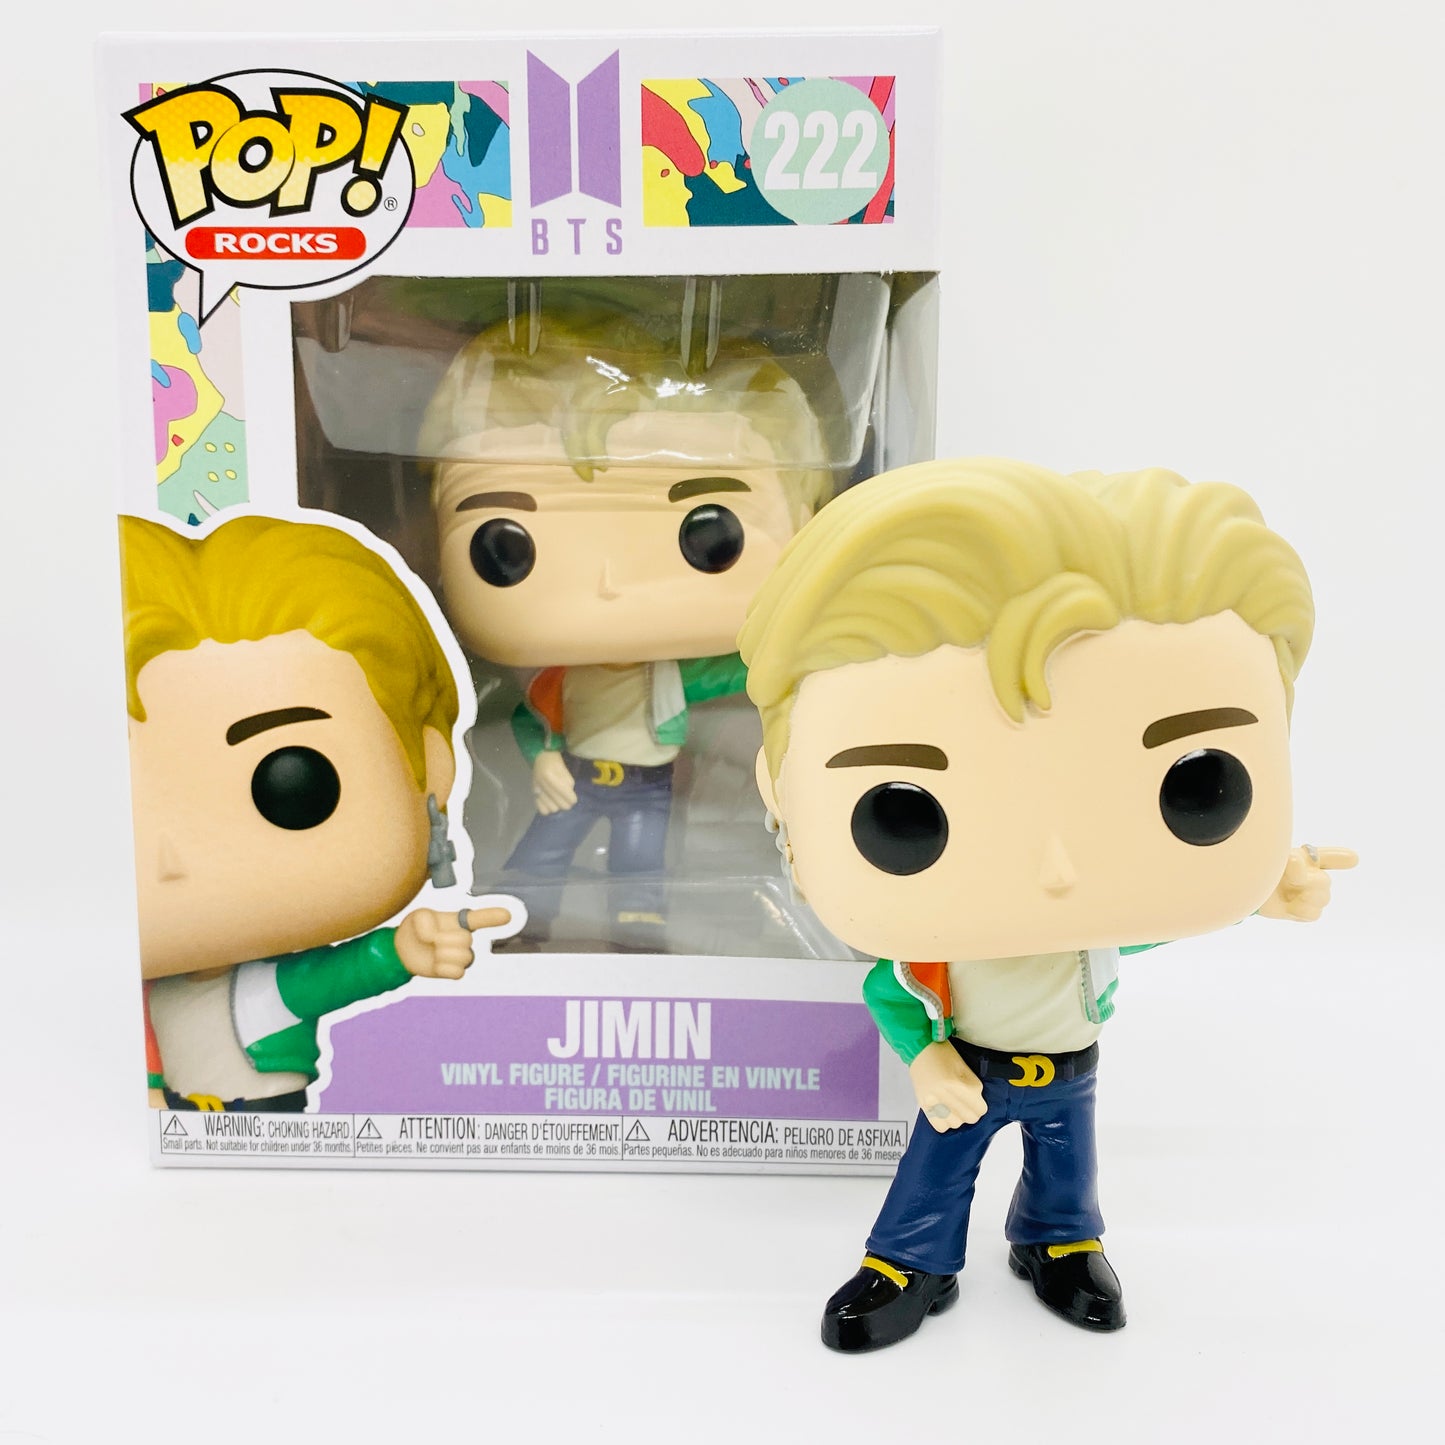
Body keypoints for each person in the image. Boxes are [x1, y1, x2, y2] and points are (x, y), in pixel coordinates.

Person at [738, 457, 1355, 1351]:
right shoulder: (941, 939)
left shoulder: (1085, 929)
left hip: (1070, 1069)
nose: (1058, 871)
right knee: (934, 1170)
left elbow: (1143, 931)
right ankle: (907, 1261)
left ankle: (1058, 1242)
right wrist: (926, 1058)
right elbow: (887, 987)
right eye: (903, 815)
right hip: (972, 1067)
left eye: (1198, 788)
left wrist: (1259, 892)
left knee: (1068, 1173)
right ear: (780, 792)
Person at [425, 320, 831, 948]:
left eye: (709, 535)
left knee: (641, 865)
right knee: (542, 852)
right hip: (578, 775)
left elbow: (741, 669)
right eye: (506, 546)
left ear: (806, 528)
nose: (609, 582)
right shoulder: (556, 680)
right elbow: (532, 720)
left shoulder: (667, 675)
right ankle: (520, 921)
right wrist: (544, 760)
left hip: (647, 784)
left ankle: (638, 931)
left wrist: (801, 649)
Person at [123, 513, 508, 1111]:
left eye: (294, 784)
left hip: (261, 1118)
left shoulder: (269, 987)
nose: (172, 858)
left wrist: (403, 950)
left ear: (430, 767)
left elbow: (339, 974)